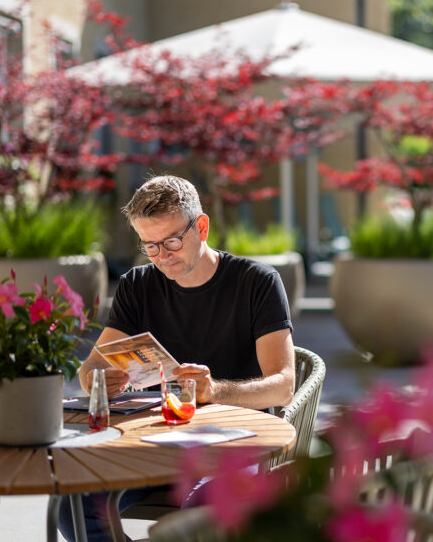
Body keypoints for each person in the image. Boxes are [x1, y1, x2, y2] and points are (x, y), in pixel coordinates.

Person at [58, 175, 295, 542]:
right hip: (152, 446)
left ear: (201, 227)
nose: (162, 257)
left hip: (232, 449)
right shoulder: (137, 285)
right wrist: (98, 380)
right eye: (150, 245)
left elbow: (283, 386)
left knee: (203, 512)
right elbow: (90, 368)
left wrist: (214, 391)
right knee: (73, 507)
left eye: (171, 241)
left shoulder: (257, 283)